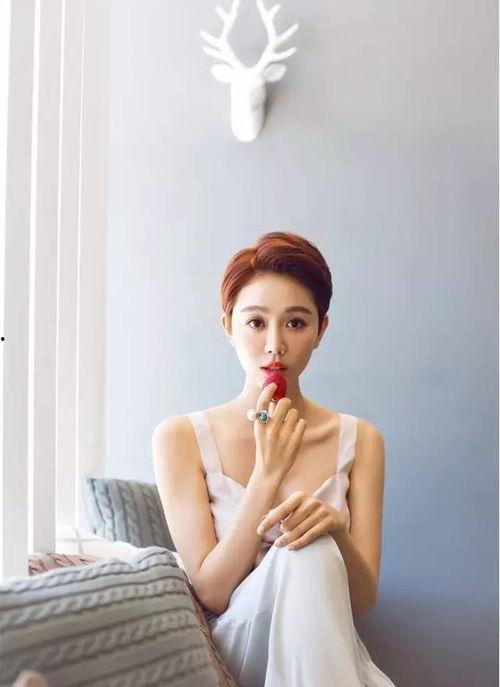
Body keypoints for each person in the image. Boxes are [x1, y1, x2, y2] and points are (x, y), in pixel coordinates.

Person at [153, 231, 396, 686]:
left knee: (314, 549)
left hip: (327, 651)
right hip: (238, 648)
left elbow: (361, 602)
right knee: (304, 553)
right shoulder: (180, 437)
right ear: (228, 326)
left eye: (296, 323)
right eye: (255, 322)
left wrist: (335, 531)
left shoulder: (361, 440)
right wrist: (267, 475)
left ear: (321, 330)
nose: (274, 345)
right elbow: (212, 592)